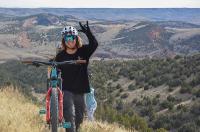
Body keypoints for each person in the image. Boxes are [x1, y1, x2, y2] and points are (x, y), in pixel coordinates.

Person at [55, 21, 98, 132]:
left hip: (81, 89)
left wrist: (89, 33)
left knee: (79, 117)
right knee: (68, 113)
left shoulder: (83, 51)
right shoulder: (60, 56)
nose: (70, 41)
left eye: (72, 38)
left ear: (76, 38)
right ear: (64, 40)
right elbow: (55, 68)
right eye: (67, 38)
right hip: (67, 89)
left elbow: (94, 45)